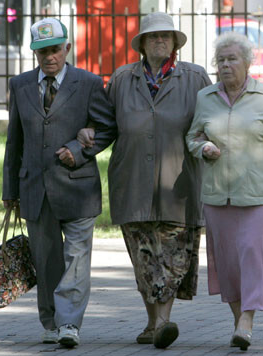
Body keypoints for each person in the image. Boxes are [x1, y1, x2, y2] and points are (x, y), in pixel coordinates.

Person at [77, 12, 211, 349]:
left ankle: (162, 322)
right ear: (142, 44)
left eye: (166, 36)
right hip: (132, 182)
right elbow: (107, 124)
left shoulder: (194, 78)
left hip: (179, 184)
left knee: (172, 260)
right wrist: (88, 134)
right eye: (153, 37)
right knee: (144, 260)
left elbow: (213, 122)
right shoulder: (123, 79)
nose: (160, 41)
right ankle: (155, 324)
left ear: (174, 42)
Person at [2, 18, 116, 348]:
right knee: (46, 259)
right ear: (34, 54)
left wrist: (79, 149)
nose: (49, 57)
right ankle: (51, 321)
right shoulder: (20, 85)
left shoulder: (89, 83)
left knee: (76, 259)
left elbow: (108, 127)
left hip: (78, 187)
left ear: (67, 48)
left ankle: (69, 324)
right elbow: (14, 141)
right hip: (35, 188)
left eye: (55, 50)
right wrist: (10, 189)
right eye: (42, 52)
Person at [186, 32, 263, 351]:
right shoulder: (205, 97)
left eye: (232, 59)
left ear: (248, 63)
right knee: (228, 265)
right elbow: (192, 137)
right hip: (217, 195)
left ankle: (247, 319)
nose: (226, 65)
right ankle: (239, 323)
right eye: (221, 60)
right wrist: (202, 146)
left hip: (257, 195)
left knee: (251, 254)